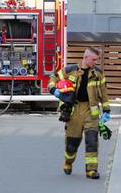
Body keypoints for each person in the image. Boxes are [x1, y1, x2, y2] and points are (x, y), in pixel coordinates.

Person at [48, 47, 111, 180]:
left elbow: (104, 94)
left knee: (92, 140)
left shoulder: (98, 73)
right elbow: (53, 76)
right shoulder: (70, 70)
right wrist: (54, 90)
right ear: (85, 57)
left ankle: (91, 170)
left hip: (91, 111)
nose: (96, 62)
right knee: (72, 143)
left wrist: (106, 110)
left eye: (97, 60)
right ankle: (68, 161)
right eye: (94, 59)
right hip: (73, 111)